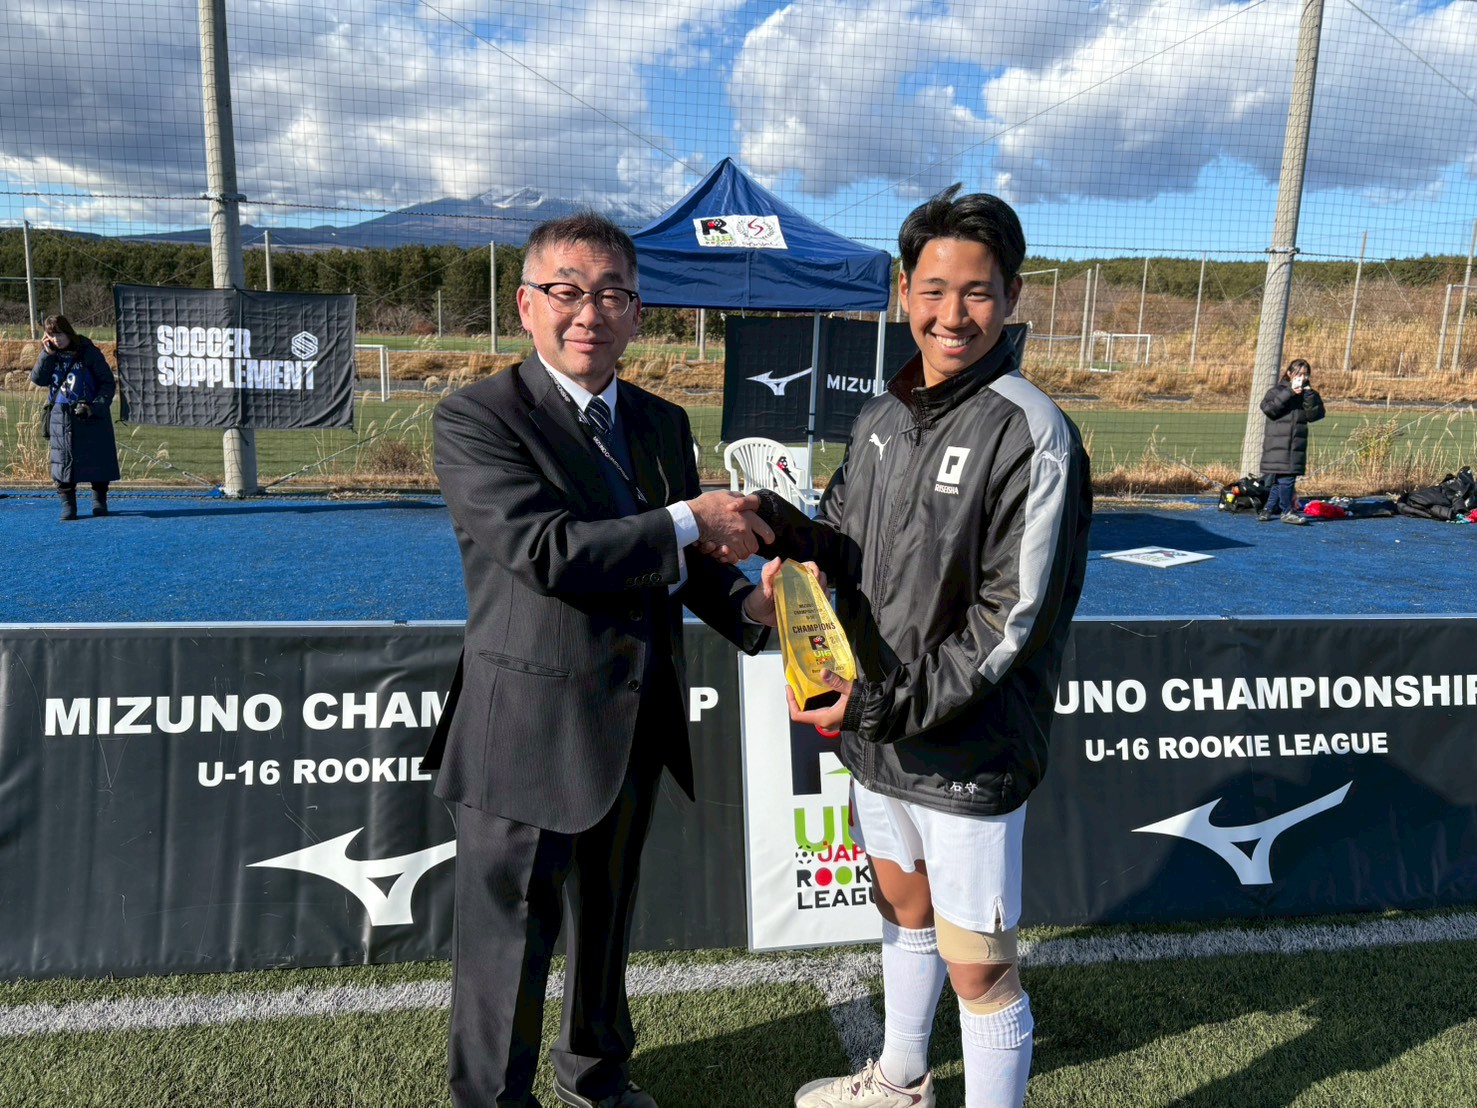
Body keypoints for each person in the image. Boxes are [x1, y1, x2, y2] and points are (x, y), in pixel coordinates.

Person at [423, 212, 780, 1108]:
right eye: (567, 292)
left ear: (636, 313)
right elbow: (546, 551)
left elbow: (682, 565)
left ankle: (597, 1077)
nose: (589, 313)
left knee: (608, 925)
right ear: (526, 305)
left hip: (632, 722)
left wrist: (754, 606)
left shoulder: (659, 421)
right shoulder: (477, 417)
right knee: (507, 945)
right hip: (524, 733)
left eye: (612, 294)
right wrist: (693, 517)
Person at [753, 185, 1092, 1108]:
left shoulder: (1031, 430)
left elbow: (1008, 622)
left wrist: (877, 703)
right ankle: (901, 1079)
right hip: (880, 736)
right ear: (904, 291)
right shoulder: (881, 415)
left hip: (966, 747)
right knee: (902, 909)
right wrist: (772, 524)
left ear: (1011, 296)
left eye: (977, 292)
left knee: (978, 964)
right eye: (933, 290)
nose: (952, 314)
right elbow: (843, 541)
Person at [30, 314, 120, 520]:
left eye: (60, 334)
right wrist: (47, 354)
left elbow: (107, 383)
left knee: (98, 459)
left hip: (89, 413)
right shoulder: (50, 354)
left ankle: (99, 500)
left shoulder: (88, 351)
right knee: (63, 462)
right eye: (52, 335)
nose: (56, 339)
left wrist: (94, 407)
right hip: (61, 415)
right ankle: (68, 505)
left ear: (68, 332)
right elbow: (39, 379)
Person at [1257, 357, 1325, 525]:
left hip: (1295, 444)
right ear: (1289, 373)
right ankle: (1287, 511)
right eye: (1298, 374)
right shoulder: (1276, 391)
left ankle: (1267, 509)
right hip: (1277, 444)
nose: (1302, 377)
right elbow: (1269, 409)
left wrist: (1308, 395)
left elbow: (1315, 415)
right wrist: (1290, 392)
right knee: (1286, 478)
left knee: (1281, 478)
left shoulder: (1309, 394)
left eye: (1305, 374)